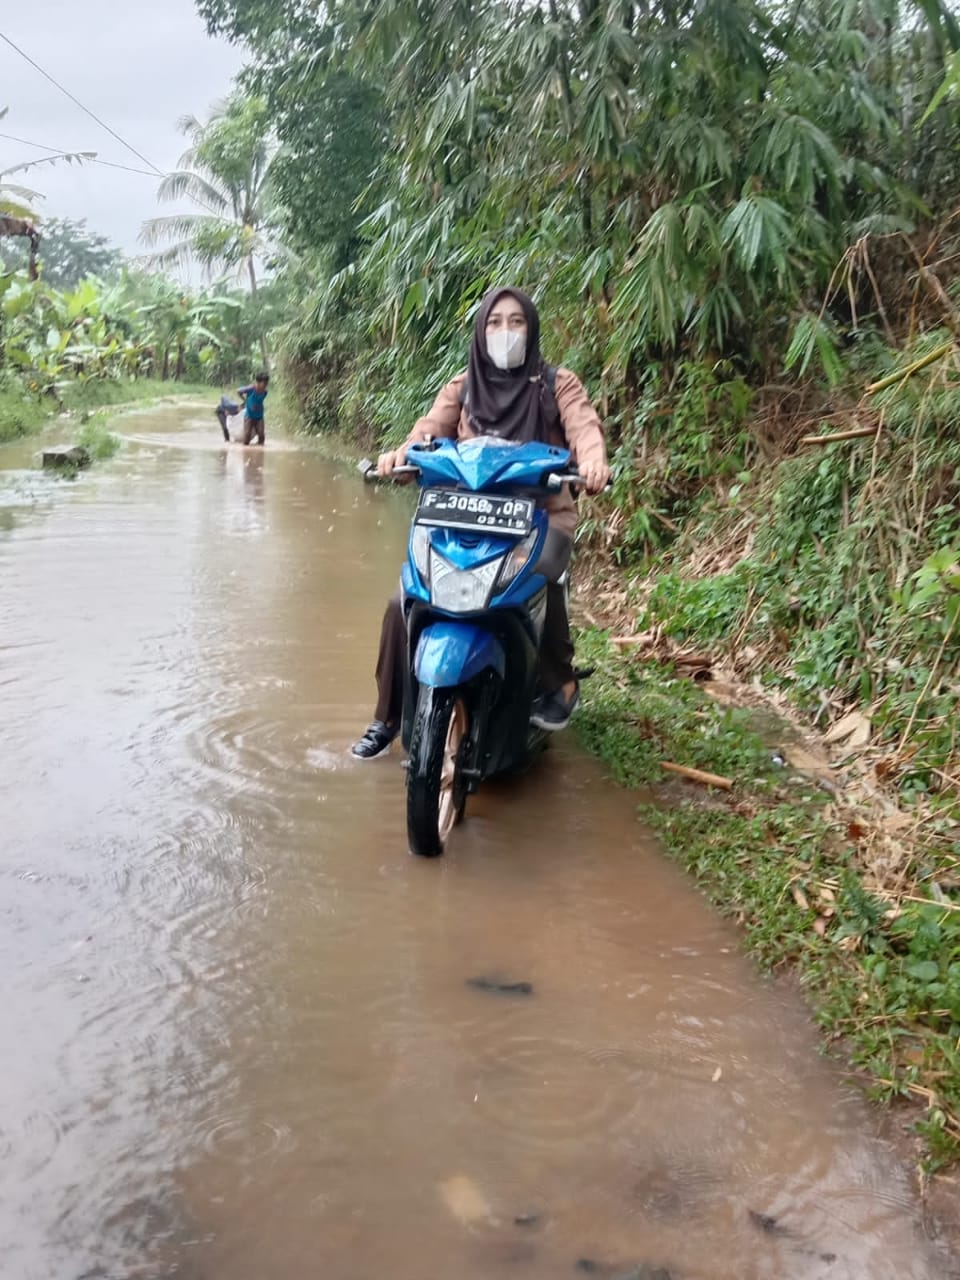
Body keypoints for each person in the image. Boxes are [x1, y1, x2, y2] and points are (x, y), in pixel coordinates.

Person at [351, 286, 611, 761]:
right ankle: (386, 717)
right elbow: (427, 432)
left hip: (540, 514)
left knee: (545, 577)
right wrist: (401, 456)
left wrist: (592, 461)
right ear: (480, 330)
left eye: (516, 322)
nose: (505, 332)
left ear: (530, 329)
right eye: (494, 323)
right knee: (403, 599)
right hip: (463, 513)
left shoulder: (558, 384)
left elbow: (584, 427)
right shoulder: (463, 386)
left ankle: (560, 682)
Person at [238, 372, 270, 446]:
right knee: (247, 437)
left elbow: (259, 401)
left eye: (266, 383)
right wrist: (245, 401)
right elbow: (238, 391)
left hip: (259, 416)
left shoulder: (265, 392)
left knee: (261, 435)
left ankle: (260, 452)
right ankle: (245, 452)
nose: (266, 385)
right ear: (258, 382)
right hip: (249, 415)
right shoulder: (251, 388)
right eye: (264, 383)